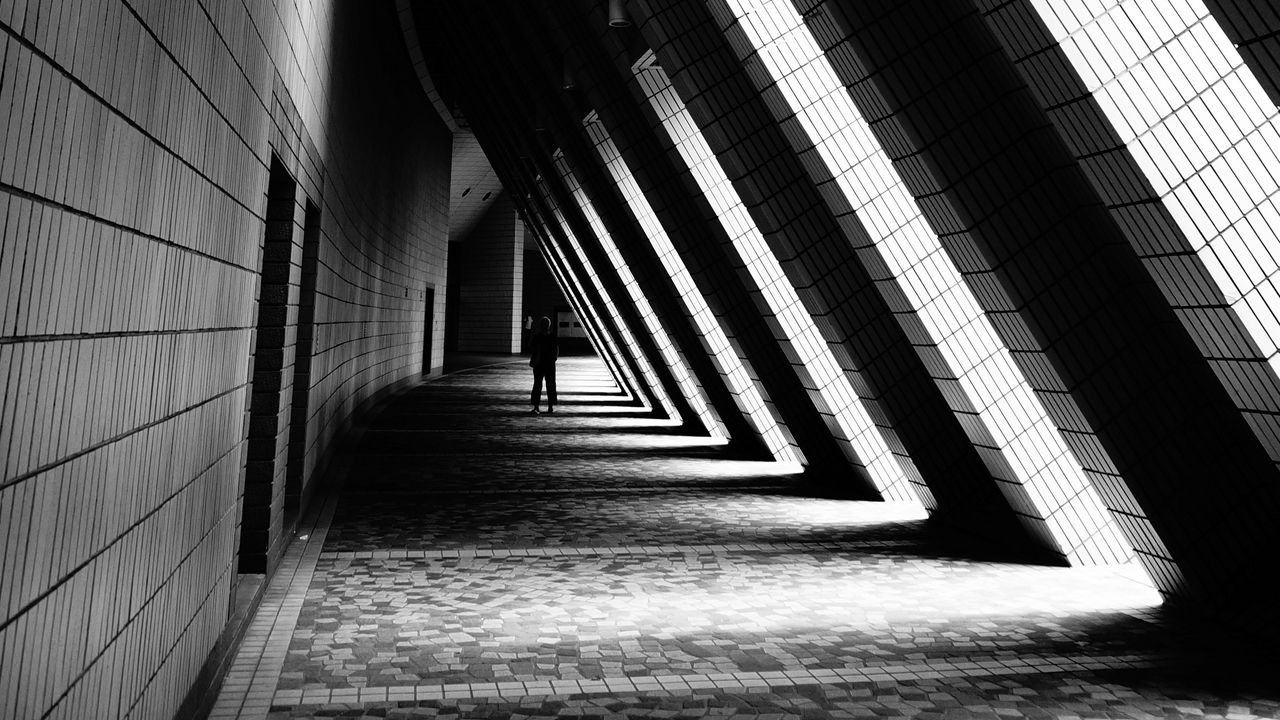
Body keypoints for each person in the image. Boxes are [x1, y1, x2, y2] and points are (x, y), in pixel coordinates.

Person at [528, 316, 558, 414]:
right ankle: (550, 406)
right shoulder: (552, 337)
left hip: (539, 364)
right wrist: (553, 358)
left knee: (537, 385)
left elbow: (532, 348)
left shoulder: (537, 337)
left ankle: (536, 406)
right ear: (549, 326)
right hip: (549, 364)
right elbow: (556, 350)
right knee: (550, 385)